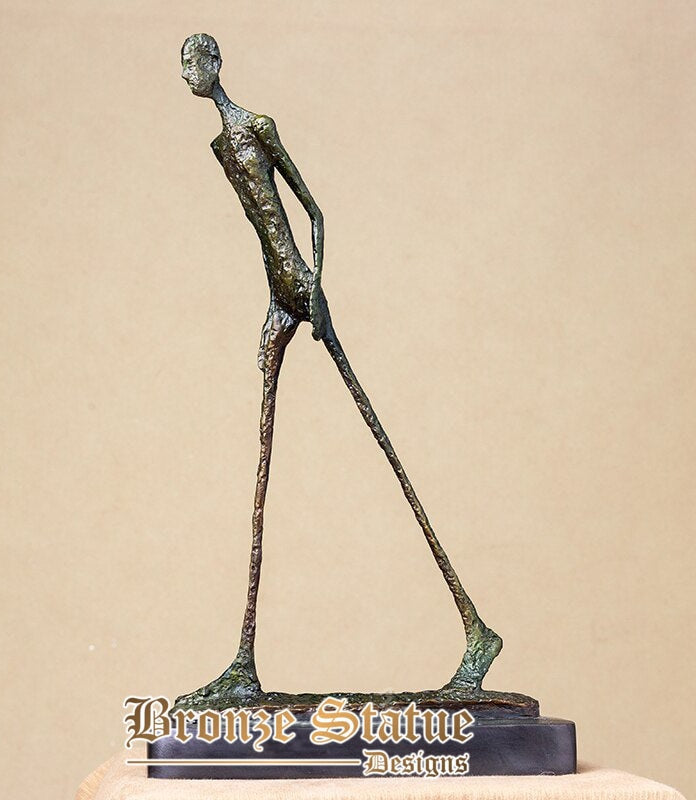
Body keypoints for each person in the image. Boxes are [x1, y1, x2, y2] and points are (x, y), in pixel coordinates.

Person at [177, 33, 502, 706]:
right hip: (277, 294)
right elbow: (261, 230)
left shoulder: (257, 127)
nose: (189, 77)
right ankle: (243, 663)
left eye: (195, 64)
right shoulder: (217, 147)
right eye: (183, 69)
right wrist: (277, 299)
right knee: (262, 463)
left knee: (377, 434)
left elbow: (313, 211)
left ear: (216, 65)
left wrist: (316, 289)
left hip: (301, 287)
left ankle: (477, 630)